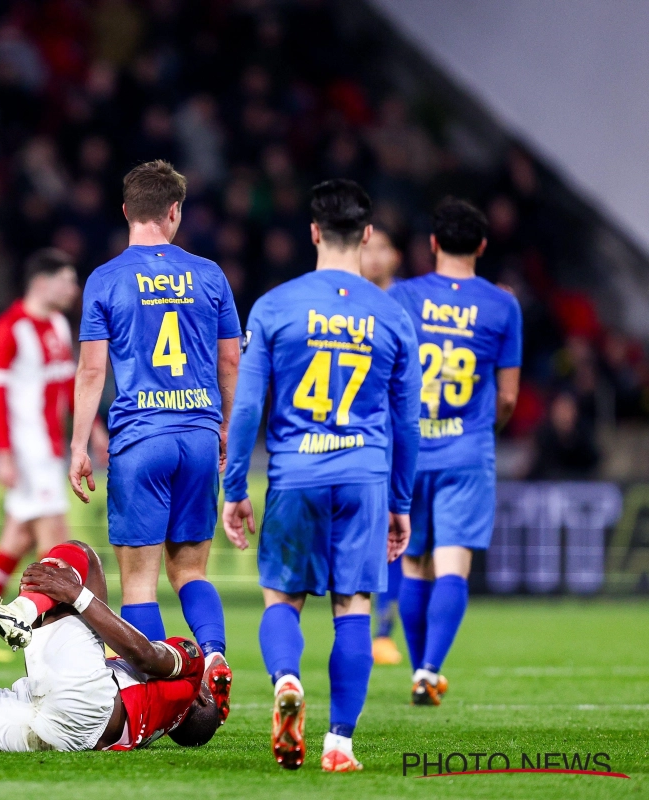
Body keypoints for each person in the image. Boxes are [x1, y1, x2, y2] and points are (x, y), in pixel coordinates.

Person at [222, 180, 422, 772]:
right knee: (353, 608)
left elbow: (248, 407)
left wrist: (234, 488)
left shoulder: (276, 306)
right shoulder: (391, 313)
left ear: (312, 232)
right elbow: (407, 424)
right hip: (364, 478)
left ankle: (287, 681)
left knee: (282, 600)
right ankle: (339, 745)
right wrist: (401, 501)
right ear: (365, 236)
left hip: (295, 475)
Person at [66, 160, 241, 723]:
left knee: (138, 580)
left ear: (126, 212)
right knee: (190, 571)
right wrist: (229, 432)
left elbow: (93, 371)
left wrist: (77, 446)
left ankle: (166, 700)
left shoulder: (106, 278)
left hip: (142, 437)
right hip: (196, 434)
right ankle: (213, 654)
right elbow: (231, 360)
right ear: (175, 212)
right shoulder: (210, 274)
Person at [0, 541, 220, 752]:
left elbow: (146, 657)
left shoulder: (190, 671)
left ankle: (18, 612)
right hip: (61, 735)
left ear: (202, 695)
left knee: (79, 561)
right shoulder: (155, 725)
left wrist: (76, 594)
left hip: (89, 701)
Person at [388, 198, 521, 705]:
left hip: (411, 450)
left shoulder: (402, 296)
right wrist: (486, 425)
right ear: (482, 246)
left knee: (414, 565)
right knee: (453, 564)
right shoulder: (503, 304)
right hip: (467, 451)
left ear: (433, 244)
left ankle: (420, 672)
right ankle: (428, 669)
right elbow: (507, 396)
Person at [0, 248, 105, 662]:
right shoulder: (9, 329)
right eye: (66, 279)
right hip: (29, 454)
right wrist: (4, 453)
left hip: (51, 452)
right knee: (57, 549)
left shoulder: (60, 326)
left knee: (16, 540)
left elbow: (67, 388)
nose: (73, 288)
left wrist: (92, 428)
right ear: (42, 282)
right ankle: (58, 643)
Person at [361, 224, 405, 666]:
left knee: (399, 535)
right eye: (366, 249)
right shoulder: (346, 298)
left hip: (407, 434)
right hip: (362, 434)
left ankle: (385, 629)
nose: (373, 257)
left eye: (382, 249)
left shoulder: (411, 300)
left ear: (396, 256)